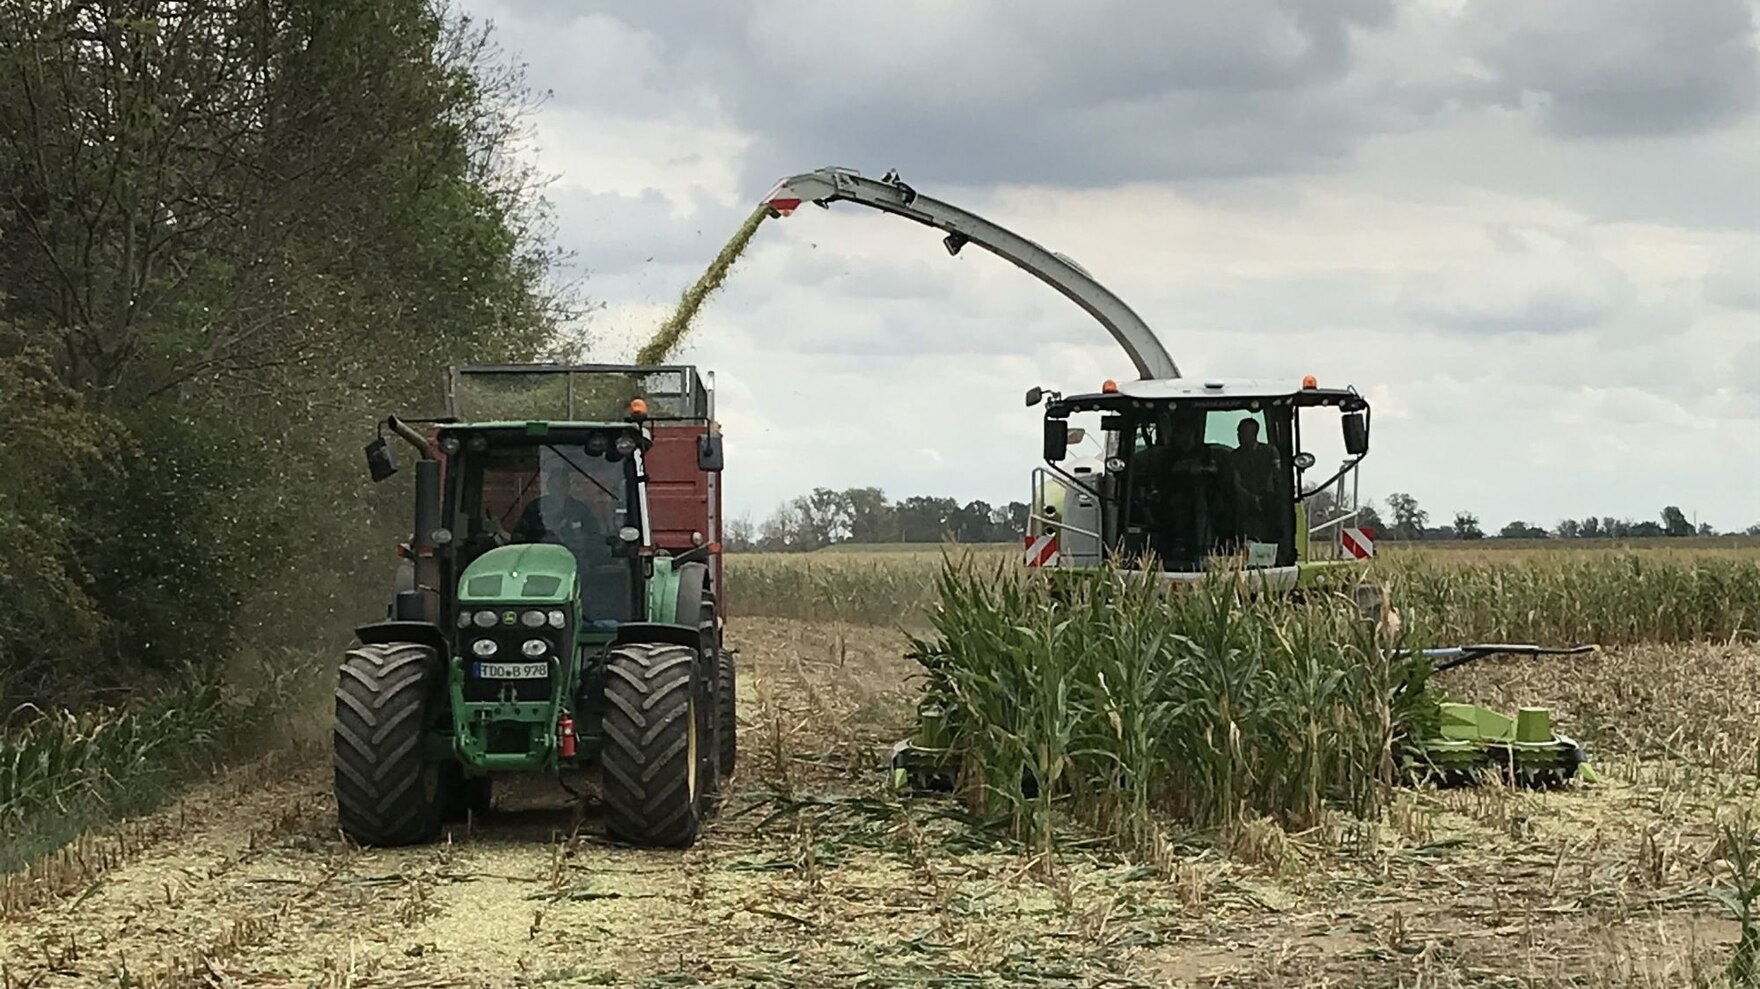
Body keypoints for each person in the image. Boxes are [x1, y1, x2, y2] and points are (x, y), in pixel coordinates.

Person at [514, 462, 609, 550]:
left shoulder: (580, 509)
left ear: (568, 486)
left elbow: (595, 536)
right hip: (540, 556)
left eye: (562, 485)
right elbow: (519, 535)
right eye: (555, 485)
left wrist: (581, 538)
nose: (558, 489)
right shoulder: (534, 508)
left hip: (574, 555)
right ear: (548, 486)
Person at [1228, 419, 1281, 544]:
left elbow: (1278, 476)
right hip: (1244, 503)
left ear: (1254, 434)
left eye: (1243, 433)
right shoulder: (1235, 457)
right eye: (1239, 433)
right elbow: (1236, 484)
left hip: (1269, 502)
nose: (1239, 436)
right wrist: (1253, 499)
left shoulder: (1270, 451)